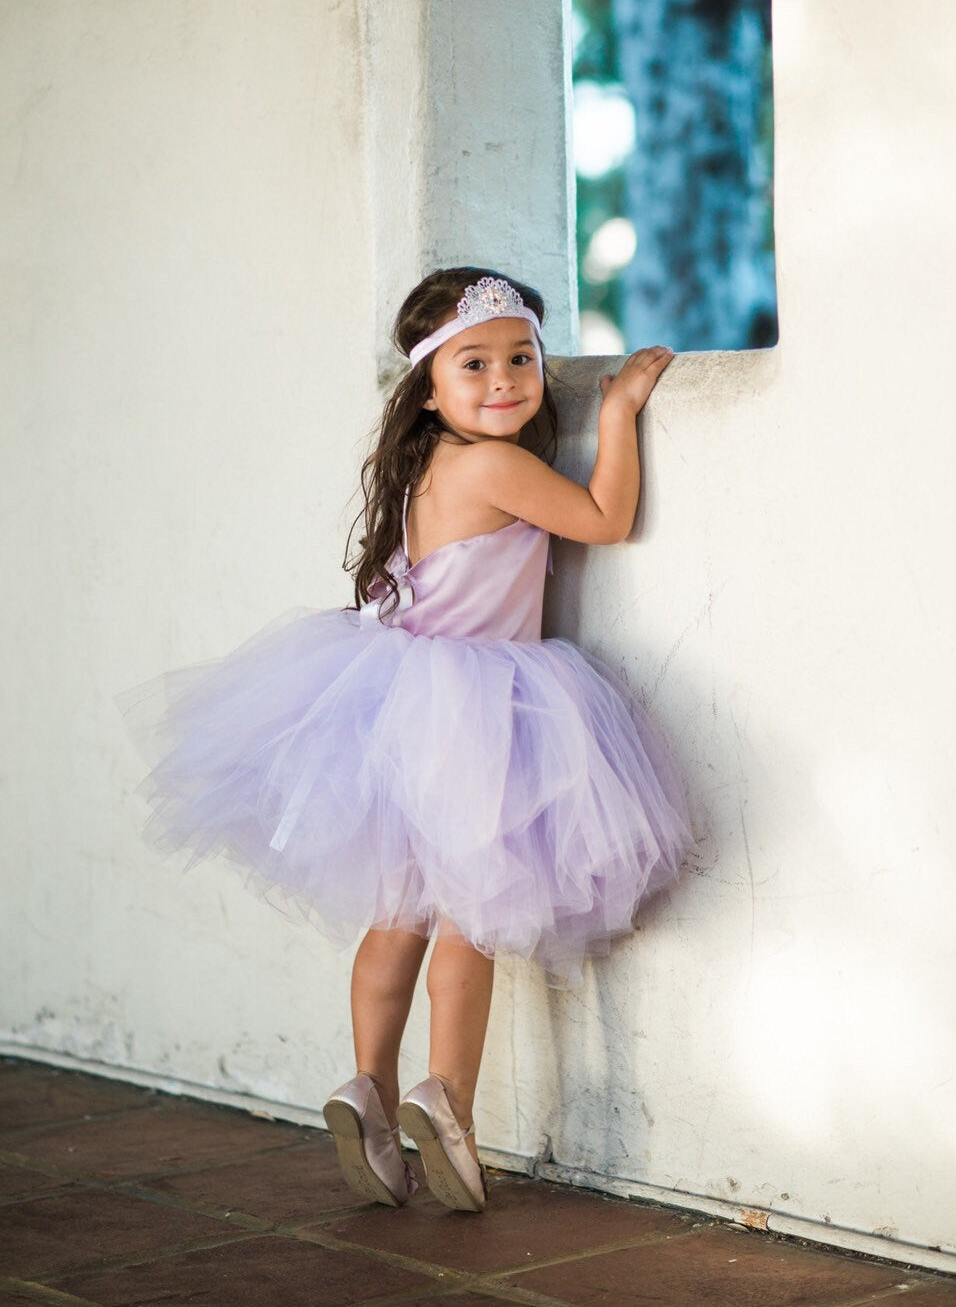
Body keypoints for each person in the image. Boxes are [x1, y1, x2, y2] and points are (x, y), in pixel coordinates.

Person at [117, 267, 692, 1215]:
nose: (506, 378)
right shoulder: (495, 465)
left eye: (524, 358)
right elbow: (606, 518)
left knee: (396, 916)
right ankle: (449, 1104)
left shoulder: (427, 465)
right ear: (430, 387)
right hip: (481, 710)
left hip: (396, 701)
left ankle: (367, 1087)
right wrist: (623, 404)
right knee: (471, 918)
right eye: (476, 364)